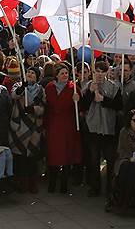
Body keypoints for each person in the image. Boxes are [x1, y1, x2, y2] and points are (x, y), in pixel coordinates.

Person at [80, 59, 122, 197]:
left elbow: (118, 105)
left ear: (107, 72)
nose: (99, 74)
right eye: (96, 71)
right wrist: (90, 93)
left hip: (108, 127)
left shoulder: (114, 86)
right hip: (93, 127)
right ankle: (94, 187)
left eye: (102, 71)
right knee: (94, 160)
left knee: (110, 159)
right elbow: (83, 106)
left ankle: (111, 187)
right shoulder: (87, 86)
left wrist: (103, 99)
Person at [44, 62, 81, 194]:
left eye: (66, 73)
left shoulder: (74, 88)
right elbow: (47, 106)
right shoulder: (49, 87)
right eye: (62, 73)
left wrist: (78, 99)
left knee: (67, 154)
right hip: (54, 124)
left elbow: (79, 108)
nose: (65, 75)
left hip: (68, 124)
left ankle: (64, 184)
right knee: (54, 154)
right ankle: (52, 182)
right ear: (57, 75)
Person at [10, 66, 44, 194]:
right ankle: (21, 182)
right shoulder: (18, 85)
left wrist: (34, 109)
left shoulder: (40, 90)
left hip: (34, 126)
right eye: (28, 72)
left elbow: (44, 107)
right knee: (20, 157)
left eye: (33, 73)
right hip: (19, 125)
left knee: (32, 157)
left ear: (37, 76)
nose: (30, 74)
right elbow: (13, 95)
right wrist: (21, 88)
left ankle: (32, 183)